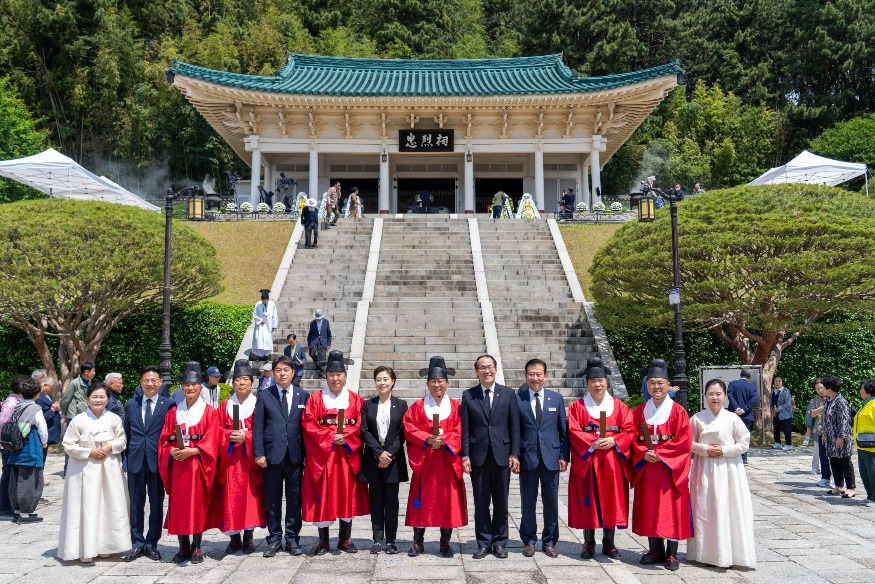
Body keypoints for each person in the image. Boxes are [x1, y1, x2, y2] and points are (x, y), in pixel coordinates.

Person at [301, 350, 369, 555]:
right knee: (323, 494)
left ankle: (345, 539)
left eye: (339, 375)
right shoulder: (315, 399)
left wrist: (346, 437)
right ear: (326, 376)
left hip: (347, 456)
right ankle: (323, 541)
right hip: (324, 456)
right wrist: (330, 437)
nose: (335, 378)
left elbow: (360, 425)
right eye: (331, 375)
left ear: (345, 376)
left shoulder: (356, 400)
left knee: (346, 494)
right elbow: (309, 424)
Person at [568, 357, 633, 560]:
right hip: (589, 460)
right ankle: (588, 542)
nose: (598, 384)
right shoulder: (577, 407)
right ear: (587, 383)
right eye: (593, 381)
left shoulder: (620, 407)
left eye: (601, 381)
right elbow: (573, 430)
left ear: (607, 382)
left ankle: (609, 542)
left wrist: (615, 441)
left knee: (610, 499)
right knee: (589, 501)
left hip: (612, 461)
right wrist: (592, 442)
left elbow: (630, 430)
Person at [57, 382, 130, 563]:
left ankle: (107, 546)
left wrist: (108, 446)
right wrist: (89, 451)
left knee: (108, 505)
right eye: (94, 396)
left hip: (109, 467)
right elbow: (68, 444)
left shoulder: (114, 419)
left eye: (102, 396)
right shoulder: (78, 420)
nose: (98, 400)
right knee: (86, 507)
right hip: (85, 468)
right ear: (87, 398)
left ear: (108, 398)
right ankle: (85, 549)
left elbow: (122, 440)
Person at [631, 359, 692, 571]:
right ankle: (654, 549)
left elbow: (683, 441)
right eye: (652, 383)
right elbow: (631, 438)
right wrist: (643, 453)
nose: (656, 387)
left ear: (668, 385)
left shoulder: (678, 412)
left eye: (660, 383)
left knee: (671, 508)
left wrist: (660, 454)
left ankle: (672, 554)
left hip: (669, 469)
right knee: (649, 506)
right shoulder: (639, 412)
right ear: (647, 386)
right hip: (647, 468)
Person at [687, 379, 756, 568]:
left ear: (725, 396)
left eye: (718, 394)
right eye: (711, 394)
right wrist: (705, 449)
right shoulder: (697, 418)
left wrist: (724, 451)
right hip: (705, 468)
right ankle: (705, 554)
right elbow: (686, 442)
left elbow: (744, 444)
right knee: (705, 510)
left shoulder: (733, 419)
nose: (715, 397)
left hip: (728, 470)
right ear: (705, 396)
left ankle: (730, 554)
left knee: (729, 509)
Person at [403, 356, 467, 557]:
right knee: (421, 501)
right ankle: (418, 541)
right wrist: (427, 438)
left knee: (447, 502)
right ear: (427, 384)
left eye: (440, 381)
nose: (437, 385)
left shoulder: (457, 407)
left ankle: (445, 542)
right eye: (433, 382)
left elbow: (460, 430)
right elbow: (408, 428)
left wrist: (445, 439)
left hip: (448, 462)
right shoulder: (416, 407)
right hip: (426, 461)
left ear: (447, 383)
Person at [158, 362, 221, 564]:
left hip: (197, 465)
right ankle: (182, 546)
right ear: (182, 387)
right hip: (178, 465)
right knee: (178, 506)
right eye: (186, 384)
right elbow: (164, 440)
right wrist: (172, 450)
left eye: (194, 384)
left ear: (200, 386)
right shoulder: (173, 413)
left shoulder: (210, 412)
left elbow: (213, 439)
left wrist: (194, 450)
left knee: (197, 504)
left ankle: (197, 546)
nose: (190, 388)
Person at [461, 354, 520, 559]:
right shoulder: (469, 395)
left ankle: (500, 542)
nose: (487, 371)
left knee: (502, 502)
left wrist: (514, 453)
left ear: (496, 369)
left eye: (490, 367)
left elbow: (514, 426)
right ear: (476, 371)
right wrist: (465, 455)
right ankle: (484, 542)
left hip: (502, 456)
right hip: (478, 457)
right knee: (481, 502)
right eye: (482, 368)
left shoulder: (508, 394)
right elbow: (466, 429)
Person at [253, 355, 310, 557]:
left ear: (293, 373)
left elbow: (308, 428)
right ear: (273, 373)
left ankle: (293, 538)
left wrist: (308, 455)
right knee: (272, 499)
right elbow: (257, 427)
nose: (282, 373)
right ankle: (274, 538)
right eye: (279, 370)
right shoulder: (264, 395)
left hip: (295, 456)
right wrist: (258, 453)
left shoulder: (303, 396)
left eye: (286, 370)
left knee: (295, 499)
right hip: (271, 456)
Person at [207, 360, 266, 554]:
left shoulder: (258, 404)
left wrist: (247, 436)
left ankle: (248, 537)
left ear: (252, 384)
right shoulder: (224, 406)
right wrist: (227, 435)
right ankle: (234, 538)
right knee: (230, 498)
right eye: (238, 380)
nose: (241, 383)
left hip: (250, 461)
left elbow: (263, 430)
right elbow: (216, 431)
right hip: (230, 460)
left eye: (246, 380)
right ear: (233, 384)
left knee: (250, 498)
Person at [516, 358, 568, 558]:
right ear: (526, 376)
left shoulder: (555, 399)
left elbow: (563, 432)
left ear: (545, 376)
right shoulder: (518, 399)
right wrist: (516, 455)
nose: (535, 378)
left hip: (551, 458)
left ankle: (550, 541)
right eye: (531, 374)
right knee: (527, 501)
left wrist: (563, 455)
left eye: (538, 374)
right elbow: (515, 431)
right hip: (528, 458)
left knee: (551, 502)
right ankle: (528, 540)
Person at [123, 365, 175, 562]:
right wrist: (125, 460)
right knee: (136, 504)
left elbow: (171, 433)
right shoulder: (131, 404)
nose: (150, 383)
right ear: (140, 383)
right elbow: (126, 434)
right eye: (146, 380)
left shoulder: (168, 405)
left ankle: (152, 542)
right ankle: (137, 542)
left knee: (156, 503)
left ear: (160, 382)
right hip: (136, 461)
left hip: (157, 462)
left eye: (154, 380)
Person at [359, 366, 408, 554]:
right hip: (373, 457)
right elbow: (364, 430)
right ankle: (377, 539)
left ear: (393, 381)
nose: (382, 383)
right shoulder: (368, 404)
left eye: (386, 379)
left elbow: (402, 433)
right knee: (376, 500)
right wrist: (379, 453)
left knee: (391, 501)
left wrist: (389, 454)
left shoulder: (401, 404)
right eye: (379, 379)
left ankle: (392, 539)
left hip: (393, 460)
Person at [6, 378, 47, 524]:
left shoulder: (17, 407)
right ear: (37, 394)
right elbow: (42, 429)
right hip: (30, 448)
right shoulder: (35, 408)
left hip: (15, 448)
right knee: (30, 480)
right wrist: (44, 443)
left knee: (16, 479)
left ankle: (17, 511)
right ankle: (26, 513)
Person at [821, 375, 855, 497]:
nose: (821, 390)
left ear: (829, 388)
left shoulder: (841, 401)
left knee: (844, 461)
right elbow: (825, 419)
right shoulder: (828, 401)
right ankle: (839, 486)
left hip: (840, 437)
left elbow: (844, 421)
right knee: (834, 461)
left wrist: (841, 436)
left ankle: (851, 487)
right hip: (830, 437)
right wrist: (824, 433)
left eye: (823, 387)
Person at [0, 376, 25, 517]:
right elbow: (3, 423)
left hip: (10, 444)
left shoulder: (16, 401)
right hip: (7, 445)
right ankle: (4, 505)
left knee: (10, 473)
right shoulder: (11, 403)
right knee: (8, 473)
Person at [727, 369, 757, 464]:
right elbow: (752, 400)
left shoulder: (732, 384)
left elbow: (730, 396)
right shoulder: (752, 387)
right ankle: (743, 458)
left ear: (740, 374)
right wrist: (744, 409)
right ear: (750, 376)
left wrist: (736, 408)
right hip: (746, 415)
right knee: (744, 437)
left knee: (732, 436)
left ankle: (733, 456)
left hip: (733, 413)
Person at [854, 379, 875, 506]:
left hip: (872, 445)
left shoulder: (873, 405)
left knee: (872, 471)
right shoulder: (865, 404)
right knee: (864, 471)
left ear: (868, 391)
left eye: (862, 388)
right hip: (862, 443)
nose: (860, 390)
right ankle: (870, 495)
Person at [36, 376, 61, 464]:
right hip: (41, 435)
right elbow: (39, 418)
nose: (51, 391)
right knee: (39, 461)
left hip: (46, 434)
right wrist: (52, 410)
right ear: (45, 385)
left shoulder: (45, 396)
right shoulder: (38, 397)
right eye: (51, 388)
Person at [252, 289, 278, 361]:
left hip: (268, 326)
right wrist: (260, 320)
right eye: (263, 300)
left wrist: (274, 325)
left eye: (266, 300)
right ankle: (259, 355)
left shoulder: (272, 304)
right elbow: (255, 314)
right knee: (259, 340)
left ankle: (267, 356)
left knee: (267, 340)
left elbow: (274, 315)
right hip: (260, 326)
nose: (264, 301)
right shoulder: (258, 304)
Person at [308, 309, 332, 379]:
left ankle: (322, 372)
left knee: (322, 356)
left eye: (319, 318)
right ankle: (318, 364)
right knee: (311, 353)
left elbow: (329, 333)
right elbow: (310, 334)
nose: (318, 320)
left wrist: (329, 342)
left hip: (323, 340)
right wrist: (309, 344)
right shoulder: (312, 323)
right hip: (314, 340)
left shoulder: (326, 322)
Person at [771, 377, 794, 450]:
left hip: (785, 414)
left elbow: (788, 403)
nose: (777, 382)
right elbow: (770, 402)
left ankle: (788, 444)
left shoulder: (785, 391)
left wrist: (778, 409)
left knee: (786, 429)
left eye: (779, 381)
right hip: (776, 414)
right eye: (775, 381)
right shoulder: (772, 391)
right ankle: (777, 442)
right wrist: (772, 411)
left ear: (782, 382)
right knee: (776, 429)